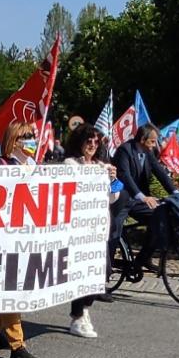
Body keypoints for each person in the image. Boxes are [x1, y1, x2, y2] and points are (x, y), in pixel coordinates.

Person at [0, 120, 38, 358]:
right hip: (3, 237)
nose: (29, 142)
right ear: (12, 141)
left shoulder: (34, 166)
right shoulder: (0, 165)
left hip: (26, 236)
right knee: (9, 289)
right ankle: (18, 345)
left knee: (6, 288)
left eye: (32, 136)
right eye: (24, 137)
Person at [63, 123, 112, 337]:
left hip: (97, 228)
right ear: (79, 142)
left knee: (101, 272)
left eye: (95, 141)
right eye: (88, 140)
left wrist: (111, 179)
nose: (92, 145)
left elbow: (112, 197)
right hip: (79, 229)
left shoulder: (101, 165)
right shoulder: (71, 163)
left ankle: (85, 310)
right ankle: (78, 315)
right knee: (80, 272)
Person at [113, 121, 177, 278]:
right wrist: (142, 196)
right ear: (142, 140)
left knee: (161, 220)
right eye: (152, 141)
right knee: (113, 233)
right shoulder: (124, 151)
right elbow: (125, 177)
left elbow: (160, 172)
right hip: (124, 199)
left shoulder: (148, 153)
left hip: (140, 200)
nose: (155, 145)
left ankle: (142, 260)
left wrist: (176, 192)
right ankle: (104, 275)